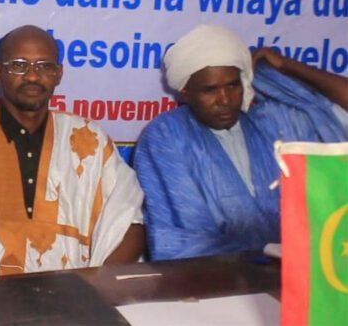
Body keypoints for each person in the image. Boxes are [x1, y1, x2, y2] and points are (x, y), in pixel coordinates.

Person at [0, 25, 145, 280]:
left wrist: (96, 289)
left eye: (44, 66)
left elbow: (132, 223)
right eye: (19, 65)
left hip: (76, 291)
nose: (33, 76)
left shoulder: (90, 139)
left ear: (59, 74)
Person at [134, 24, 348, 261]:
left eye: (233, 85)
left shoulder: (274, 122)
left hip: (297, 273)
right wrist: (265, 253)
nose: (224, 99)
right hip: (214, 278)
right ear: (186, 92)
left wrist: (287, 65)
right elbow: (180, 243)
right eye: (210, 90)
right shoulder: (166, 136)